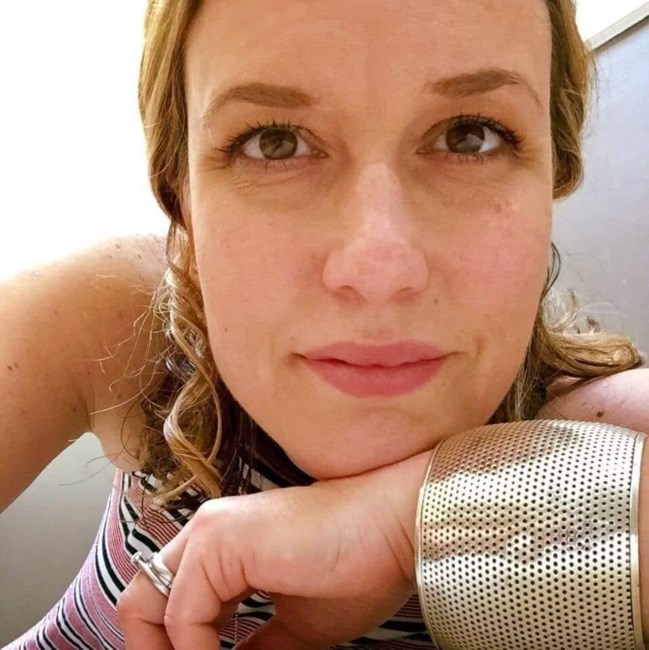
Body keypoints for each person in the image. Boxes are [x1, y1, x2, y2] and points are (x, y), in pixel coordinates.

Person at [2, 0, 648, 648]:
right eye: (274, 142)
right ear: (182, 196)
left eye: (469, 136)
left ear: (554, 175)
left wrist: (407, 525)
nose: (377, 268)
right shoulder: (124, 325)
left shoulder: (605, 445)